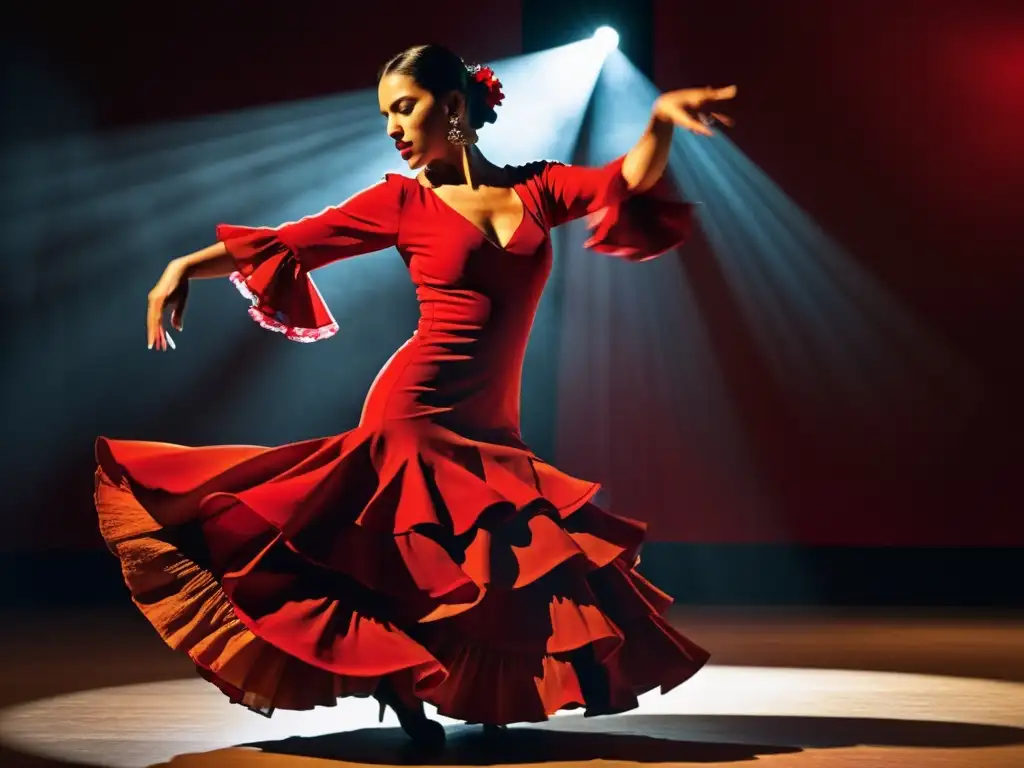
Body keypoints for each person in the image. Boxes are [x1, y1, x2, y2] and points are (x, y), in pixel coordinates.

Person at [94, 44, 736, 752]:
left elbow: (623, 180)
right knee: (401, 556)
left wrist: (662, 122)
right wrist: (184, 266)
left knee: (499, 558)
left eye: (404, 107)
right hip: (414, 409)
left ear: (454, 106)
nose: (392, 127)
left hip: (491, 423)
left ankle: (476, 692)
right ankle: (405, 696)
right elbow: (290, 243)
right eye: (385, 115)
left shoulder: (538, 189)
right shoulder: (399, 200)